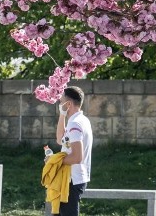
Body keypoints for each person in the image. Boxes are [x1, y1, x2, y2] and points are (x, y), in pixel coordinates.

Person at [54, 86, 93, 216]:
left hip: (72, 179)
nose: (59, 103)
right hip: (73, 178)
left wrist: (55, 161)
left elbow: (77, 157)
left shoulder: (75, 124)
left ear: (68, 104)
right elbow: (60, 139)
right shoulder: (80, 120)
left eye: (61, 101)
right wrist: (62, 114)